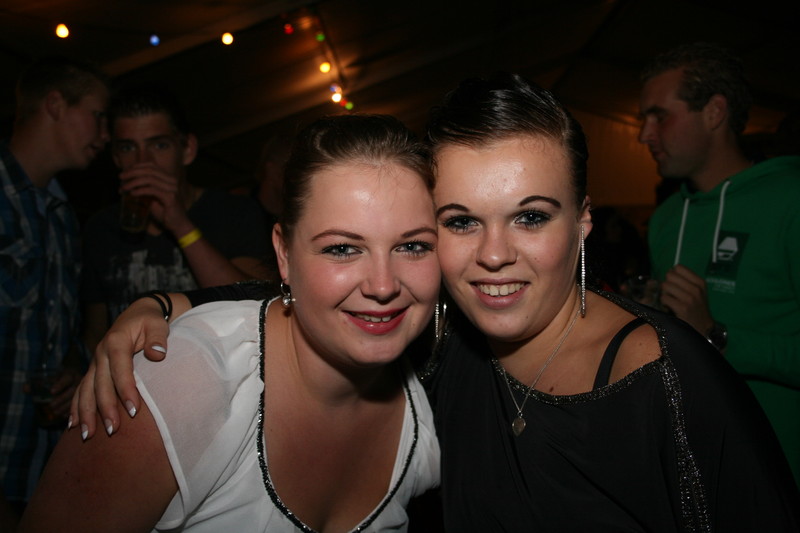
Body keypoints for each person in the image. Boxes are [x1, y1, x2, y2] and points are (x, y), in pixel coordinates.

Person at [69, 74, 799, 530]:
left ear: (582, 223)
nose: (493, 254)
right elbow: (323, 292)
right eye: (459, 222)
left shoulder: (666, 379)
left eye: (531, 216)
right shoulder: (442, 344)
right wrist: (167, 303)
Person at [19, 114, 441, 532]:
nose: (383, 285)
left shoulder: (435, 390)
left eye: (413, 246)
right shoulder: (181, 381)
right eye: (342, 249)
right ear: (284, 254)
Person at [639, 42, 800, 484]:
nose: (644, 135)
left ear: (714, 113)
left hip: (781, 476)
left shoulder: (790, 200)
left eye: (659, 116)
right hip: (695, 475)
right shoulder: (666, 219)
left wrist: (717, 335)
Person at [81, 82, 274, 356]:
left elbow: (255, 305)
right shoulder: (100, 228)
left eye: (159, 145)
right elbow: (95, 332)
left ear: (187, 150)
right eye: (128, 148)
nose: (143, 162)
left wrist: (180, 225)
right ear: (115, 157)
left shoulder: (234, 211)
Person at [0, 55, 109, 528]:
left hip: (42, 472)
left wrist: (73, 370)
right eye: (98, 116)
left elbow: (57, 333)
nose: (104, 135)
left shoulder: (64, 218)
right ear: (55, 104)